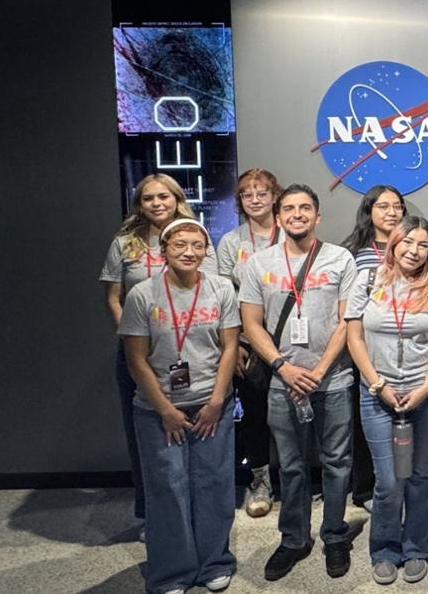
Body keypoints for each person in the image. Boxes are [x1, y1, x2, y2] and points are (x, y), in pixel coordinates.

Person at [240, 184, 359, 581]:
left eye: (305, 208)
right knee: (290, 466)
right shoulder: (258, 264)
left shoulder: (340, 259)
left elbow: (348, 321)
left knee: (337, 464)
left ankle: (335, 534)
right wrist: (283, 368)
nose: (297, 214)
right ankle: (293, 538)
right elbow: (250, 323)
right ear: (278, 217)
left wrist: (321, 369)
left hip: (334, 380)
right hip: (281, 382)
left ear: (317, 216)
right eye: (289, 208)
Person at [119, 218, 240, 594]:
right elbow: (136, 359)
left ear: (207, 251)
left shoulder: (220, 289)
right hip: (158, 410)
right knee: (167, 488)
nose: (189, 252)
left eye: (197, 246)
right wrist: (166, 410)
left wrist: (218, 400)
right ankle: (172, 572)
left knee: (214, 484)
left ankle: (214, 562)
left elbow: (230, 348)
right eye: (180, 245)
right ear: (164, 251)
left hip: (211, 404)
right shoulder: (142, 294)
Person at [100, 173, 215, 538]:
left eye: (163, 196)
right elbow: (113, 298)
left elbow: (210, 289)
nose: (156, 203)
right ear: (139, 203)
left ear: (176, 198)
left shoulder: (195, 237)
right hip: (139, 352)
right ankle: (151, 512)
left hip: (188, 349)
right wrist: (136, 339)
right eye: (147, 198)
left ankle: (196, 510)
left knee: (198, 434)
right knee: (146, 436)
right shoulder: (124, 244)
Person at [346, 216, 428, 585]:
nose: (414, 251)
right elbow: (354, 337)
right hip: (377, 393)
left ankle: (415, 548)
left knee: (421, 474)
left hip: (427, 392)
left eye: (423, 245)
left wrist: (425, 386)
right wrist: (377, 384)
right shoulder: (368, 280)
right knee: (389, 479)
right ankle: (385, 548)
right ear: (393, 243)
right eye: (407, 242)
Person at [215, 168, 282, 519]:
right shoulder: (231, 242)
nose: (255, 200)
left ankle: (295, 478)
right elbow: (225, 296)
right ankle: (259, 480)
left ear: (275, 196)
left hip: (289, 341)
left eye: (262, 193)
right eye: (247, 195)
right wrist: (235, 342)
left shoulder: (291, 231)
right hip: (246, 342)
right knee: (254, 414)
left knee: (291, 414)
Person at [342, 184, 408, 510]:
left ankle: (399, 483)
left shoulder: (411, 246)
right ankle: (365, 489)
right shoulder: (352, 251)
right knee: (365, 420)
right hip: (363, 347)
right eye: (383, 206)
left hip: (404, 347)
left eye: (397, 206)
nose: (391, 212)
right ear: (370, 211)